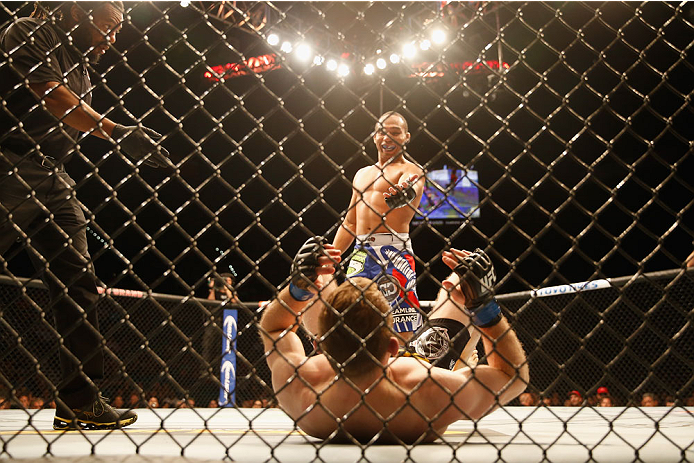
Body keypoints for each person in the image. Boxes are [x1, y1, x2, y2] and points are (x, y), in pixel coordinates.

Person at [0, 1, 171, 430]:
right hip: (8, 163)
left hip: (53, 180)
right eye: (108, 27)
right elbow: (51, 95)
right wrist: (116, 131)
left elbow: (71, 114)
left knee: (78, 280)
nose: (112, 40)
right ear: (79, 11)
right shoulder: (28, 32)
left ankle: (80, 400)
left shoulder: (84, 70)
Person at [259, 238, 529, 443]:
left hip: (331, 391)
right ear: (393, 346)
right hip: (418, 374)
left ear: (320, 344)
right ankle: (460, 353)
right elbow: (513, 376)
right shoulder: (431, 390)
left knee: (319, 278)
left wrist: (296, 289)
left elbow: (272, 329)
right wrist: (485, 310)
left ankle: (311, 286)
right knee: (459, 289)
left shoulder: (300, 387)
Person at [328, 111, 425, 342]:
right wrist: (332, 257)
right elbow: (350, 222)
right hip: (361, 252)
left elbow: (413, 184)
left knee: (400, 324)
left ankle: (399, 370)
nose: (387, 138)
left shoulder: (411, 170)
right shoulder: (362, 174)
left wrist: (405, 192)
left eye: (395, 132)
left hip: (394, 252)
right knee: (350, 316)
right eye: (383, 132)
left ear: (406, 137)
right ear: (374, 136)